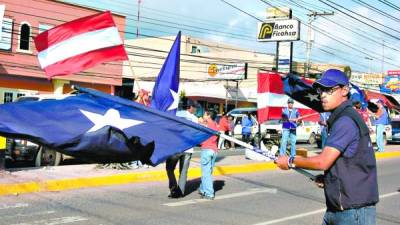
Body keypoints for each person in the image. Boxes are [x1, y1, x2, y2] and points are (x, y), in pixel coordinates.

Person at [275, 69, 378, 225]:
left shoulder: (345, 121)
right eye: (321, 89)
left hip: (353, 212)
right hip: (339, 209)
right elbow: (349, 162)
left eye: (329, 90)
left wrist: (290, 160)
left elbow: (323, 162)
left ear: (345, 91)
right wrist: (330, 179)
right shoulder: (341, 117)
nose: (323, 94)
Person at [166, 99, 198, 198]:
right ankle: (180, 192)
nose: (195, 109)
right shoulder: (194, 118)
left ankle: (173, 189)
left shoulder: (176, 115)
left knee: (169, 168)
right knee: (183, 172)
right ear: (190, 107)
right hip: (188, 148)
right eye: (195, 107)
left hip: (176, 147)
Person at [198, 109, 219, 200]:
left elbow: (200, 126)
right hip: (214, 150)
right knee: (208, 172)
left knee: (206, 173)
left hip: (206, 150)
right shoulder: (215, 124)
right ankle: (203, 189)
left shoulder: (207, 124)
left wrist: (199, 122)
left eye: (205, 114)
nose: (203, 116)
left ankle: (209, 193)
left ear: (209, 116)